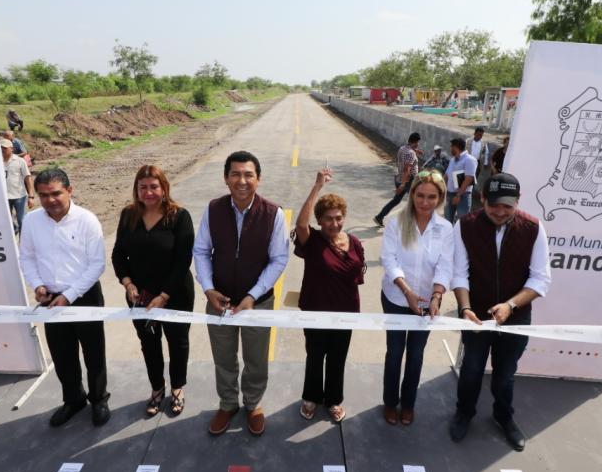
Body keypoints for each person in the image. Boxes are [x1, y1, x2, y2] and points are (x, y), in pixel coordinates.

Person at [448, 173, 551, 451]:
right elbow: (459, 273)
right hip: (476, 315)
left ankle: (504, 416)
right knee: (471, 369)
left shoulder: (532, 227)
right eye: (494, 205)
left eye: (508, 205)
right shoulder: (465, 225)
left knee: (505, 374)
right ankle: (464, 412)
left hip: (516, 316)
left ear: (517, 202)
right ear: (483, 199)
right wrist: (465, 307)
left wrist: (510, 305)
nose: (500, 211)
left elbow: (540, 279)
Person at [193, 150, 289, 436]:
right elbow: (201, 250)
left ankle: (253, 404)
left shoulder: (274, 213)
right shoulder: (213, 209)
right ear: (226, 178)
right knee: (224, 358)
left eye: (248, 174)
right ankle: (227, 404)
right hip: (219, 300)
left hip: (257, 302)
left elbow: (279, 259)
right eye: (235, 174)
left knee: (256, 359)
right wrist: (208, 288)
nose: (242, 180)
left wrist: (252, 295)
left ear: (258, 179)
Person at [19, 168, 109, 428]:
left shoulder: (87, 220)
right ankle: (74, 399)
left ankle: (99, 399)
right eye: (44, 195)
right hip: (50, 299)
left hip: (84, 295)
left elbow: (96, 265)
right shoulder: (32, 221)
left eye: (56, 193)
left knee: (94, 353)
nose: (51, 200)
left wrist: (69, 296)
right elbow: (27, 257)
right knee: (62, 354)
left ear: (70, 191)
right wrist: (37, 285)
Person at [112, 165, 194, 417]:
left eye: (154, 186)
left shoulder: (179, 216)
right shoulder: (128, 216)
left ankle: (177, 388)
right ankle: (157, 389)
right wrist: (128, 284)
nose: (148, 192)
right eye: (143, 187)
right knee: (149, 343)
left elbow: (183, 260)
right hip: (140, 297)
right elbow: (118, 254)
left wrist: (164, 296)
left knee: (178, 343)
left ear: (164, 188)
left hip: (175, 293)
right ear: (136, 190)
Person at [381, 170, 453, 426]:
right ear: (411, 194)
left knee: (416, 355)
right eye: (420, 195)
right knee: (395, 352)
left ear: (440, 198)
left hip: (427, 303)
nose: (425, 202)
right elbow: (389, 260)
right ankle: (390, 402)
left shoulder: (445, 229)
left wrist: (436, 296)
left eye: (432, 197)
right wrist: (406, 291)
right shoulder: (396, 223)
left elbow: (445, 266)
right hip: (396, 299)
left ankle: (408, 404)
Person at [294, 168, 365, 423]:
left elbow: (358, 273)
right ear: (320, 221)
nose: (334, 223)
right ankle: (311, 397)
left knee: (338, 357)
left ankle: (333, 400)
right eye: (328, 219)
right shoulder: (313, 240)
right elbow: (300, 224)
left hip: (345, 312)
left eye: (338, 217)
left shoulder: (355, 242)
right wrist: (317, 186)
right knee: (315, 355)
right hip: (316, 310)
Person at [374, 132, 423, 227]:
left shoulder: (403, 148)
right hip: (408, 180)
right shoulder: (411, 153)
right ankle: (410, 224)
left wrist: (416, 151)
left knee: (396, 200)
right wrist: (403, 184)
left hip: (399, 177)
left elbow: (408, 155)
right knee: (416, 201)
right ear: (416, 142)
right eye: (418, 142)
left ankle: (379, 217)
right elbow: (406, 170)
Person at [0, 138, 34, 235]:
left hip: (19, 195)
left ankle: (24, 242)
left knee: (22, 220)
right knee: (7, 221)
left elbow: (28, 178)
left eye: (5, 148)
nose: (2, 150)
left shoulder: (20, 161)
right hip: (4, 197)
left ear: (12, 149)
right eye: (1, 148)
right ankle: (14, 231)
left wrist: (31, 196)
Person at [444, 138, 477, 223]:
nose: (450, 148)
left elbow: (469, 178)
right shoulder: (452, 159)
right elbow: (447, 175)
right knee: (447, 220)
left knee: (463, 221)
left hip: (463, 195)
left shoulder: (469, 159)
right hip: (450, 193)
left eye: (451, 147)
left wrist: (458, 195)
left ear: (456, 147)